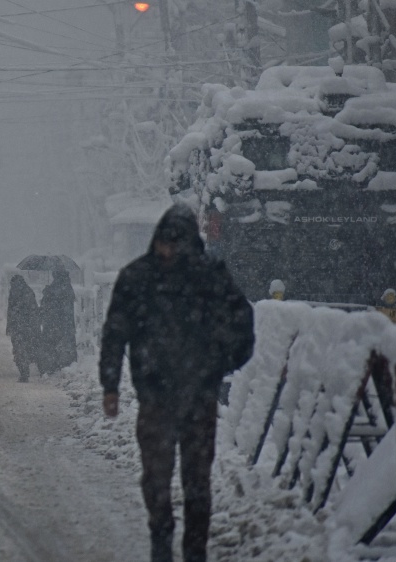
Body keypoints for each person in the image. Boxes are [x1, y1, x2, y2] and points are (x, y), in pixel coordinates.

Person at [99, 204, 254, 562]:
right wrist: (110, 385)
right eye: (165, 243)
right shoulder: (140, 278)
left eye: (174, 243)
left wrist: (221, 363)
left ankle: (192, 549)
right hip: (160, 396)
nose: (168, 251)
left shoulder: (205, 277)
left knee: (194, 480)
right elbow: (114, 333)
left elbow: (241, 322)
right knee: (158, 477)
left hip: (191, 396)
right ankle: (162, 535)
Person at [39, 267, 78, 373]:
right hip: (65, 322)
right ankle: (62, 364)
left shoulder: (57, 287)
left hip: (55, 321)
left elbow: (53, 303)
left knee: (52, 343)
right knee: (63, 343)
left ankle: (54, 365)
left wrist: (47, 292)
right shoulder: (67, 286)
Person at [6, 274, 39, 382]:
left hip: (20, 327)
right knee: (23, 350)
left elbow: (11, 311)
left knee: (20, 350)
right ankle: (25, 371)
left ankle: (24, 372)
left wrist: (10, 326)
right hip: (24, 327)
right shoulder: (27, 292)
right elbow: (33, 310)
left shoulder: (17, 293)